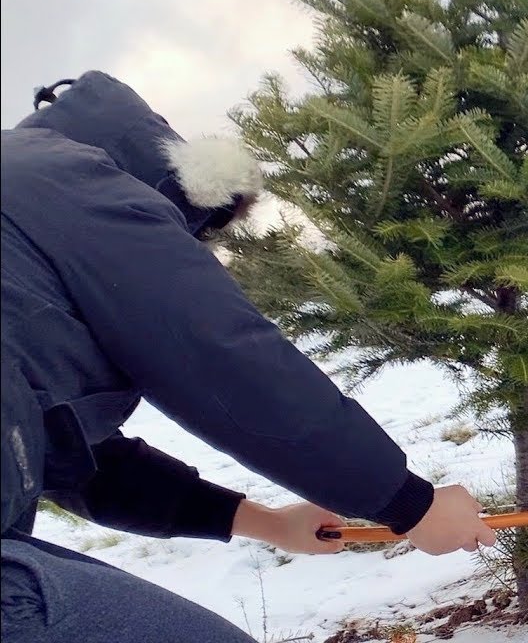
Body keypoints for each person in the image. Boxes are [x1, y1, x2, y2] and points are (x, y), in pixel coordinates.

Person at [0, 71, 498, 642]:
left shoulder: (27, 204)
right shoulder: (75, 182)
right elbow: (221, 354)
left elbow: (77, 459)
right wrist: (409, 503)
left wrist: (266, 523)